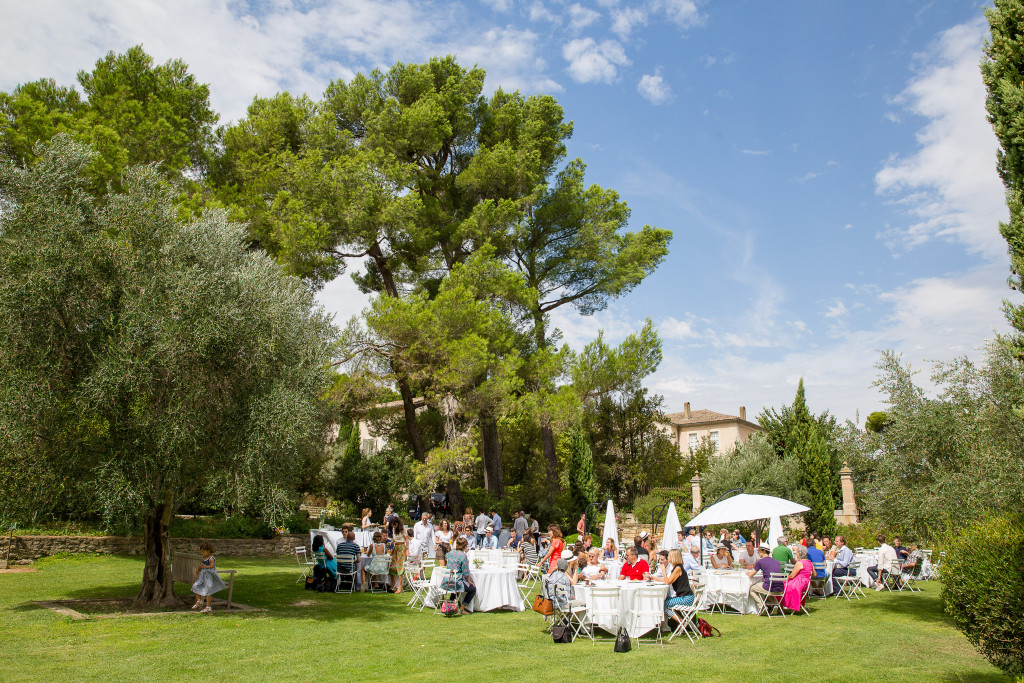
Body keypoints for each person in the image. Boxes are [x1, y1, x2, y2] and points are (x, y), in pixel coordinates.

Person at [649, 549, 693, 628]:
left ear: (673, 557)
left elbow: (667, 582)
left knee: (663, 604)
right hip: (686, 596)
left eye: (669, 556)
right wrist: (655, 578)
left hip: (685, 598)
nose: (668, 557)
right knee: (665, 601)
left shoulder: (678, 569)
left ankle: (682, 622)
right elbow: (669, 580)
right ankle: (680, 622)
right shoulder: (677, 568)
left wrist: (663, 571)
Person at [443, 537, 477, 616]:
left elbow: (446, 558)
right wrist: (470, 581)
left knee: (455, 589)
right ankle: (462, 609)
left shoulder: (450, 554)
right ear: (465, 546)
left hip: (446, 581)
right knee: (473, 589)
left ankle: (451, 607)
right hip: (456, 581)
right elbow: (466, 573)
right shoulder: (463, 556)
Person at [746, 543, 784, 612]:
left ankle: (762, 607)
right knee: (769, 586)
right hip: (780, 588)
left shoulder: (760, 561)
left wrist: (747, 572)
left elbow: (750, 575)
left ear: (764, 551)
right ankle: (775, 605)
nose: (758, 552)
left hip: (769, 587)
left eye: (759, 550)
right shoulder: (776, 561)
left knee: (752, 589)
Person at [191, 541, 227, 613]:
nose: (202, 553)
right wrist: (197, 571)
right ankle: (198, 601)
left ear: (209, 551)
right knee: (195, 586)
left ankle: (208, 606)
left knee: (208, 591)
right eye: (201, 552)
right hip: (203, 576)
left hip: (210, 576)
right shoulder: (203, 558)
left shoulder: (211, 558)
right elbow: (201, 566)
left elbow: (212, 566)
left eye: (203, 552)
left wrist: (206, 566)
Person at [781, 545, 814, 612]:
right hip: (806, 583)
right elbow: (815, 574)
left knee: (782, 585)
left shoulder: (800, 563)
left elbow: (792, 575)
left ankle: (782, 605)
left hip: (799, 583)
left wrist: (784, 579)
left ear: (799, 553)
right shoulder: (810, 563)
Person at [389, 520, 407, 593]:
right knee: (392, 566)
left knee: (400, 566)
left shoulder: (403, 530)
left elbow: (406, 540)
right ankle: (393, 585)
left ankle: (400, 586)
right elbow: (395, 539)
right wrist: (391, 542)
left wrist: (407, 549)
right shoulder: (394, 529)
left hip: (401, 547)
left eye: (395, 524)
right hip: (395, 547)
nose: (394, 526)